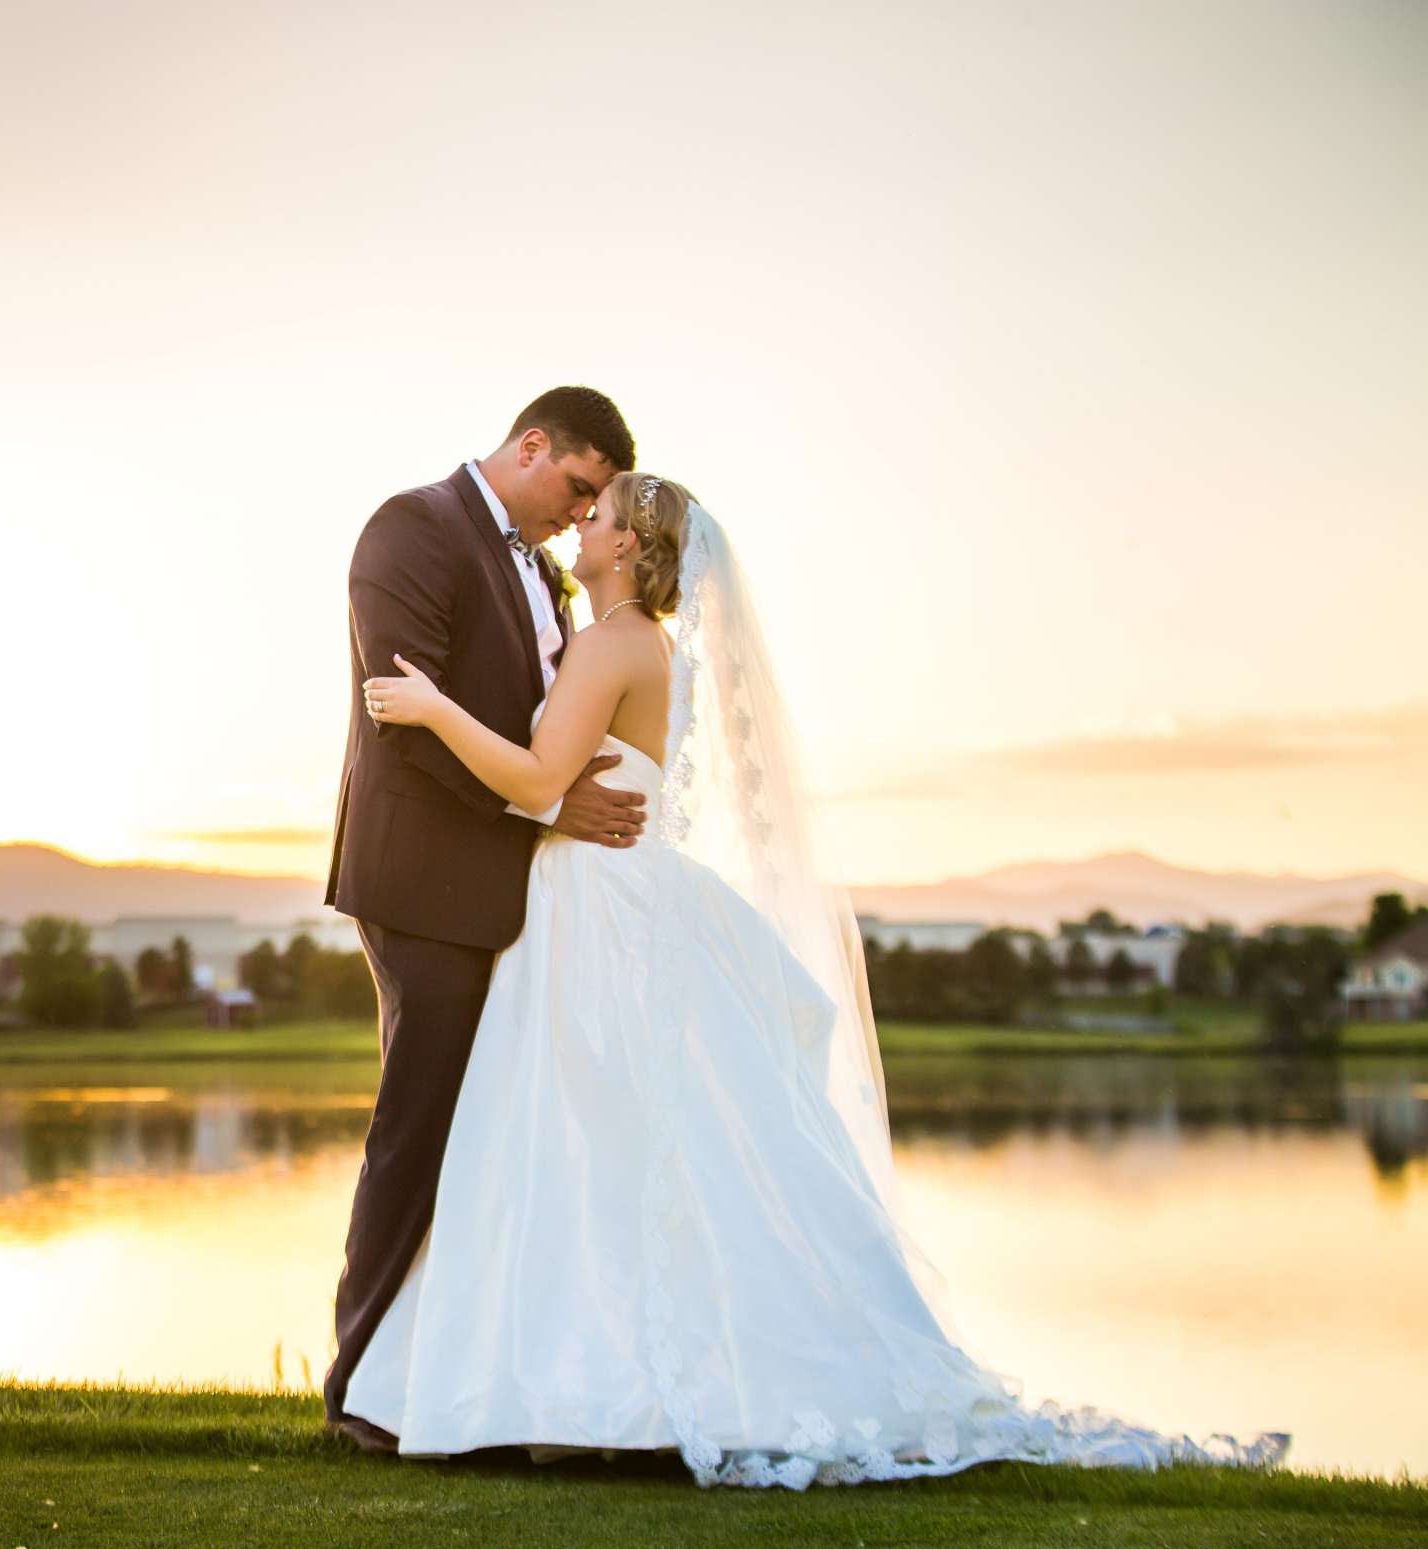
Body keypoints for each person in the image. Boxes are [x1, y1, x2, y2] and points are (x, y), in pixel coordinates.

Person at [344, 471, 1291, 1486]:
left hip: (601, 908)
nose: (583, 526)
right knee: (604, 1142)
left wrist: (436, 708)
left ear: (629, 548)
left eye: (600, 517)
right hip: (606, 900)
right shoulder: (636, 642)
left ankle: (583, 1382)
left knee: (581, 1136)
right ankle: (585, 1381)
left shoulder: (615, 643)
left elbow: (537, 781)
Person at [321, 386, 643, 1447]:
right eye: (581, 487)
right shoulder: (413, 526)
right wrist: (551, 799)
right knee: (415, 1132)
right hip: (421, 880)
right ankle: (362, 1392)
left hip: (501, 890)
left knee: (482, 1137)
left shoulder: (542, 568)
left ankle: (460, 1376)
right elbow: (403, 715)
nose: (581, 512)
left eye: (598, 503)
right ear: (533, 444)